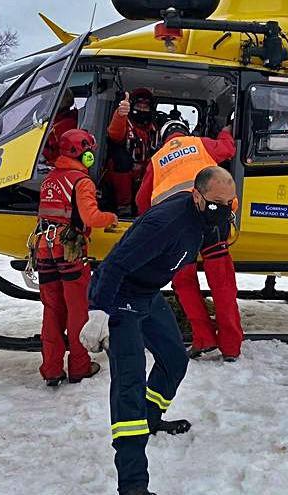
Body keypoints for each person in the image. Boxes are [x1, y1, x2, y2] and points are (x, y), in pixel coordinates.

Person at [80, 167, 237, 495]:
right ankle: (133, 485)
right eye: (216, 205)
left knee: (174, 361)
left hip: (148, 295)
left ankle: (150, 420)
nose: (223, 212)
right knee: (130, 385)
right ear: (197, 196)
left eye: (230, 204)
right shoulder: (164, 223)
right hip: (120, 296)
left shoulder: (210, 217)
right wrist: (97, 313)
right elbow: (114, 266)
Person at [136, 120, 243, 362]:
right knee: (222, 284)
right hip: (213, 219)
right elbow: (228, 149)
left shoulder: (156, 159)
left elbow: (143, 202)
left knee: (184, 283)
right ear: (185, 131)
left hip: (177, 226)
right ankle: (231, 347)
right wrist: (226, 130)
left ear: (162, 138)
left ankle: (203, 338)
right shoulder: (200, 144)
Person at [37, 129, 118, 386]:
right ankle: (79, 367)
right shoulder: (81, 182)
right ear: (84, 154)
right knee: (77, 310)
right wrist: (111, 218)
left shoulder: (49, 179)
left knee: (51, 311)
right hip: (69, 251)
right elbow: (91, 218)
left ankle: (51, 369)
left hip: (44, 249)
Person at [106, 88, 158, 216]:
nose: (142, 110)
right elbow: (114, 134)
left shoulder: (155, 129)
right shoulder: (125, 122)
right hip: (123, 176)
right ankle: (124, 209)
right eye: (138, 106)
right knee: (121, 159)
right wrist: (120, 114)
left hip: (145, 175)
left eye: (145, 107)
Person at [42, 89, 79, 163]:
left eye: (49, 101)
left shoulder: (64, 125)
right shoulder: (67, 118)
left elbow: (57, 155)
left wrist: (41, 149)